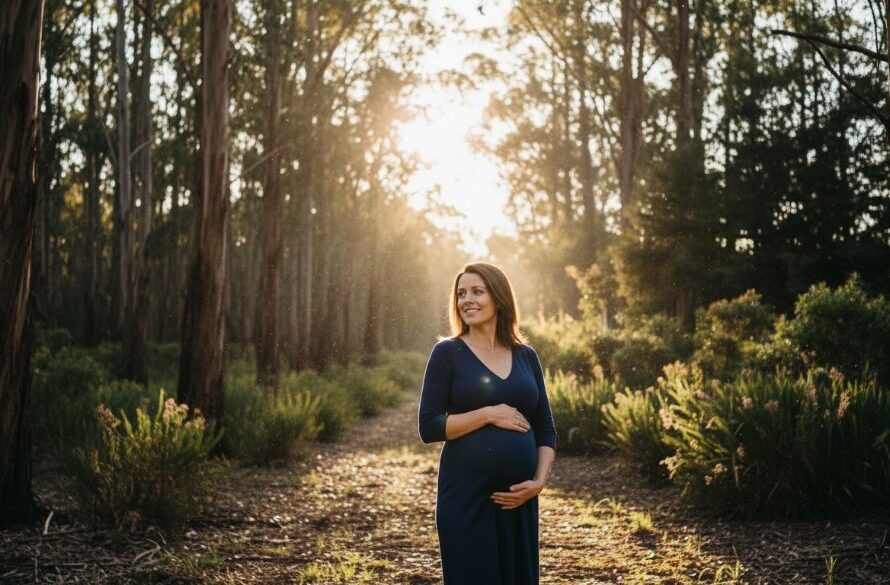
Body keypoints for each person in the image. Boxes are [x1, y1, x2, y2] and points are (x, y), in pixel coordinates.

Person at [418, 261, 557, 585]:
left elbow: (545, 428)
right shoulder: (447, 352)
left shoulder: (526, 356)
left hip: (519, 500)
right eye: (461, 293)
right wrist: (489, 414)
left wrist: (538, 481)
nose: (467, 300)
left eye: (477, 292)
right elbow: (429, 426)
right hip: (466, 498)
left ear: (498, 297)